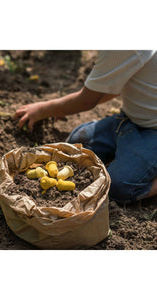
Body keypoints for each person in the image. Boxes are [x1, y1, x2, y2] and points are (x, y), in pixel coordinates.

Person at [14, 50, 157, 204]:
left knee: (119, 188)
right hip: (131, 118)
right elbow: (109, 87)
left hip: (153, 130)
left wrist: (43, 110)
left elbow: (85, 101)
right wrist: (61, 108)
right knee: (77, 144)